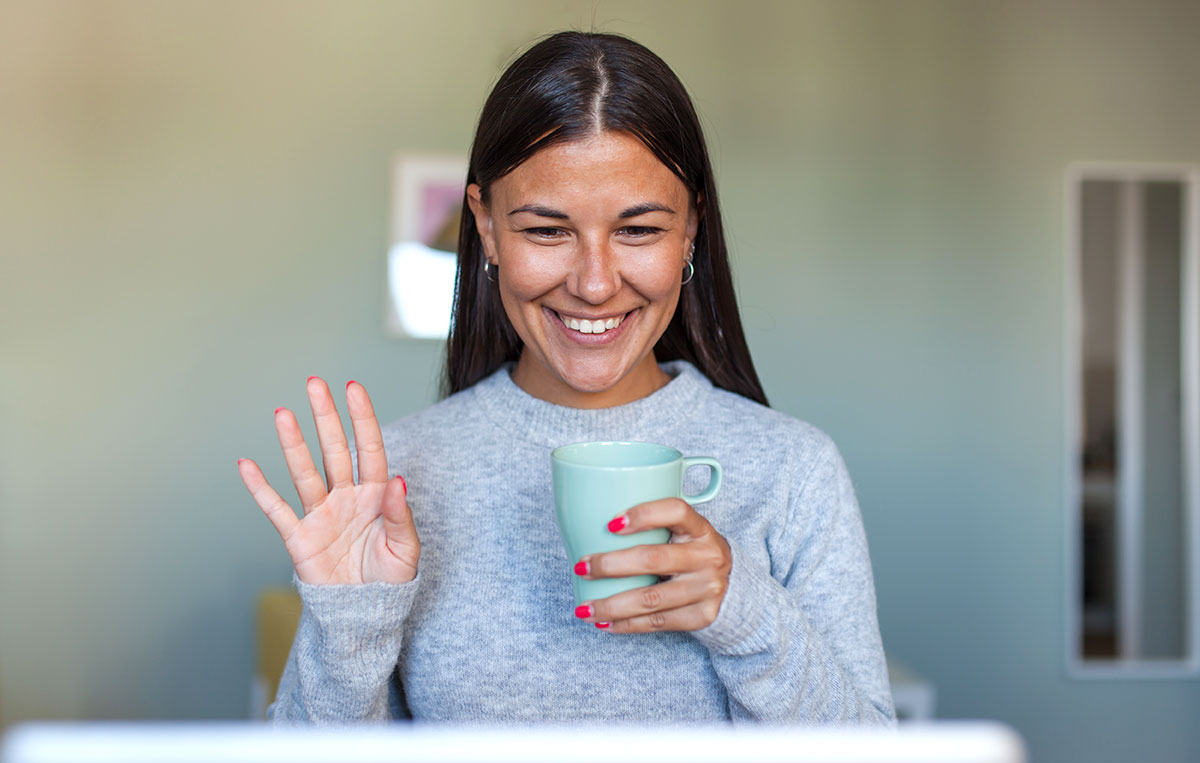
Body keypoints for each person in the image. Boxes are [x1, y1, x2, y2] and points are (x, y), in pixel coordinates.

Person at [237, 31, 895, 724]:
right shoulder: (399, 484)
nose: (594, 283)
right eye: (547, 231)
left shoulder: (793, 470)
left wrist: (745, 612)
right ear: (486, 228)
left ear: (691, 231)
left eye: (638, 231)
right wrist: (349, 630)